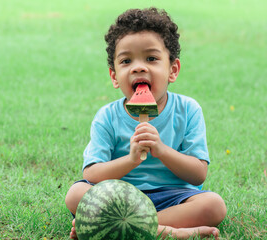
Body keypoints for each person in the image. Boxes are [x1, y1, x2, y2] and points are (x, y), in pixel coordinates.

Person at [65, 7, 227, 239]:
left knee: (214, 205)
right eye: (126, 60)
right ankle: (168, 232)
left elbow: (198, 174)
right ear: (114, 75)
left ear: (173, 69)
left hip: (174, 197)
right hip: (120, 197)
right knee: (75, 193)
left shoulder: (189, 110)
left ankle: (122, 227)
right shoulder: (106, 116)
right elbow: (92, 174)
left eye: (151, 58)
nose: (138, 67)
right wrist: (131, 160)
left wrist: (161, 150)